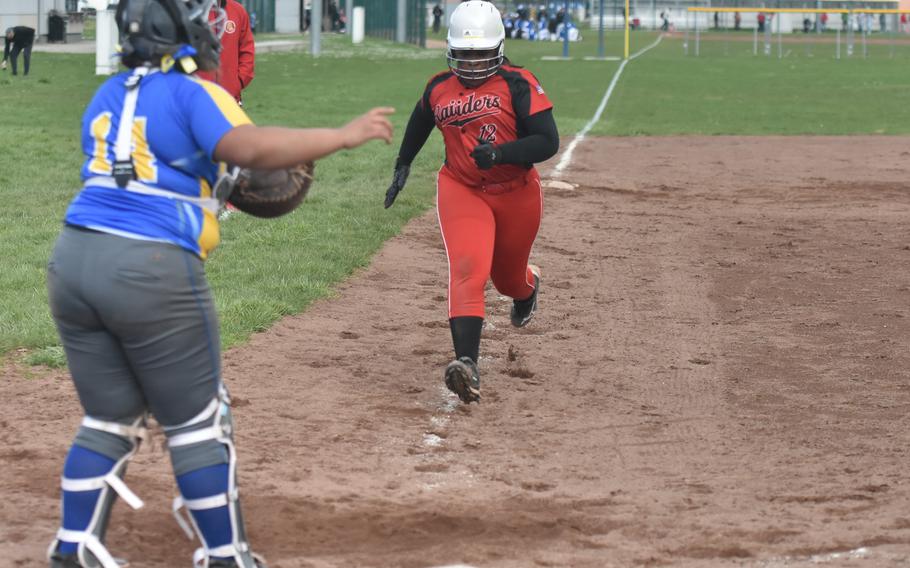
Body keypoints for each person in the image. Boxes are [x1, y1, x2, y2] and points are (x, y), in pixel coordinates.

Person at [44, 0, 393, 567]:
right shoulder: (192, 92)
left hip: (74, 259)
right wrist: (341, 135)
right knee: (200, 419)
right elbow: (248, 150)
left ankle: (74, 546)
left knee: (108, 417)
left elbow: (152, 166)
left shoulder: (106, 94)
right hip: (150, 267)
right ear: (178, 34)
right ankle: (226, 555)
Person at [383, 0, 559, 404]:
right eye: (465, 55)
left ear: (498, 49)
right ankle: (467, 364)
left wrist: (501, 154)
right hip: (462, 188)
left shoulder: (518, 83)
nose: (474, 65)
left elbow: (547, 141)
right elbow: (421, 118)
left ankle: (528, 289)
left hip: (515, 192)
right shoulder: (440, 86)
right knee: (468, 270)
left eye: (481, 55)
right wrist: (402, 164)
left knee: (507, 280)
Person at [197, 0, 254, 104]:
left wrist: (238, 83)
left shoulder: (238, 10)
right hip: (197, 98)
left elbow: (247, 52)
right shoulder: (190, 11)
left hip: (230, 98)